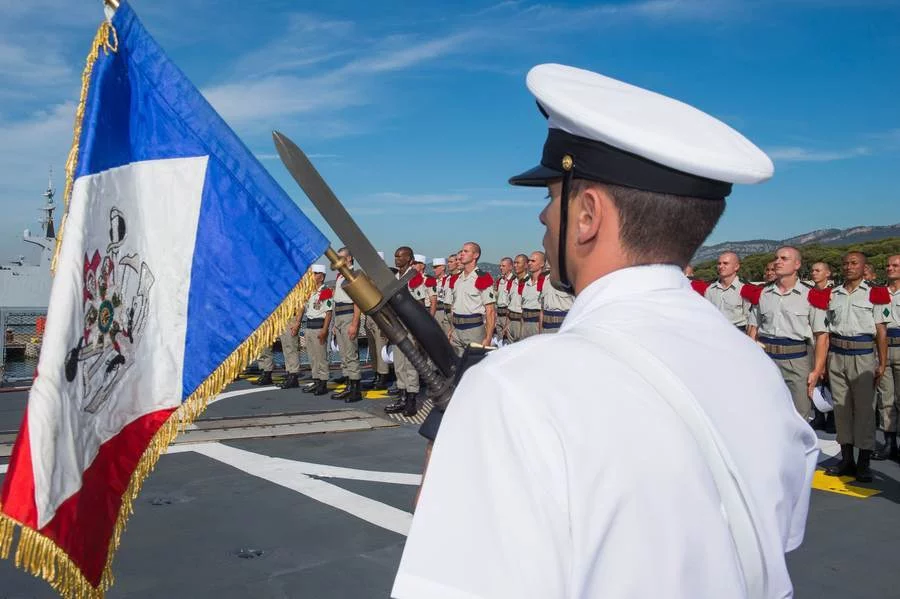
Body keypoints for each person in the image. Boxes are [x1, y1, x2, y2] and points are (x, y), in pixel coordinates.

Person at [393, 64, 816, 599]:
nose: (544, 218)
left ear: (588, 214)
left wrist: (446, 456)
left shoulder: (516, 387)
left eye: (551, 196)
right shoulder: (752, 366)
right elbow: (774, 540)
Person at [823, 251, 890, 482]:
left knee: (864, 410)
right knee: (841, 408)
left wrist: (882, 362)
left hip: (862, 355)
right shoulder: (833, 294)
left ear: (864, 267)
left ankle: (863, 461)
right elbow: (827, 329)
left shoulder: (875, 293)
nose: (849, 267)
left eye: (854, 263)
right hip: (837, 355)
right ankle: (846, 458)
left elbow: (881, 331)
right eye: (845, 263)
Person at [748, 247, 828, 421]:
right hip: (766, 359)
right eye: (777, 258)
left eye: (784, 258)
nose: (778, 262)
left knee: (799, 416)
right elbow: (753, 328)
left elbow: (821, 336)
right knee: (766, 412)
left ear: (797, 264)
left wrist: (817, 369)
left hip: (797, 361)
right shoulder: (762, 293)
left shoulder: (811, 295)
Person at [385, 246, 427, 416]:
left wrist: (418, 330)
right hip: (396, 324)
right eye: (395, 256)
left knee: (411, 364)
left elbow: (421, 304)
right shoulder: (395, 277)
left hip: (410, 324)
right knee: (399, 363)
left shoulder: (414, 277)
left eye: (400, 256)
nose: (397, 259)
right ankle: (402, 397)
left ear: (409, 258)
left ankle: (411, 400)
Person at [873, 254, 900, 461]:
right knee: (886, 399)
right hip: (882, 348)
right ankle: (890, 443)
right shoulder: (878, 292)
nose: (890, 268)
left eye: (895, 265)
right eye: (888, 265)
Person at [447, 241, 495, 355]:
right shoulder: (457, 279)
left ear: (475, 255)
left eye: (466, 251)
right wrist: (452, 328)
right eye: (462, 251)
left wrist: (488, 337)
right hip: (457, 330)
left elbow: (490, 310)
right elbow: (455, 306)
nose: (462, 254)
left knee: (474, 365)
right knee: (458, 366)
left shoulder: (482, 278)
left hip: (474, 329)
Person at [330, 247, 363, 402]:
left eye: (341, 258)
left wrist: (354, 324)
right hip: (340, 316)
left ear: (349, 259)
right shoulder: (340, 277)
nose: (337, 261)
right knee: (344, 355)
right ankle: (349, 387)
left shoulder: (353, 276)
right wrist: (335, 325)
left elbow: (358, 301)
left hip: (349, 315)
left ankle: (356, 390)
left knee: (351, 354)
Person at [299, 265, 333, 395]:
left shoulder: (326, 291)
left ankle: (323, 383)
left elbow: (328, 313)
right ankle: (316, 380)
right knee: (312, 357)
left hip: (319, 326)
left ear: (322, 276)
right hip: (309, 326)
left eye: (315, 273)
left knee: (321, 357)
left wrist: (325, 330)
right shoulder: (311, 292)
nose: (312, 276)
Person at [704, 251, 752, 331]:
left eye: (725, 263)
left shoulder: (744, 288)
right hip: (714, 331)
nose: (721, 266)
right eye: (719, 263)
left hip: (738, 333)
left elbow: (750, 319)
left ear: (736, 267)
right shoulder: (710, 289)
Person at [518, 251, 546, 339]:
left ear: (542, 264)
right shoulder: (526, 282)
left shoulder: (545, 282)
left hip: (537, 323)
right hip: (524, 323)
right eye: (529, 261)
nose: (529, 263)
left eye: (533, 261)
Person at [494, 257, 514, 341]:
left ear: (510, 267)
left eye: (503, 266)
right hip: (499, 314)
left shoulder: (513, 281)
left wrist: (507, 322)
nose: (500, 268)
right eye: (500, 266)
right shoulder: (500, 281)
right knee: (500, 340)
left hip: (507, 315)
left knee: (508, 341)